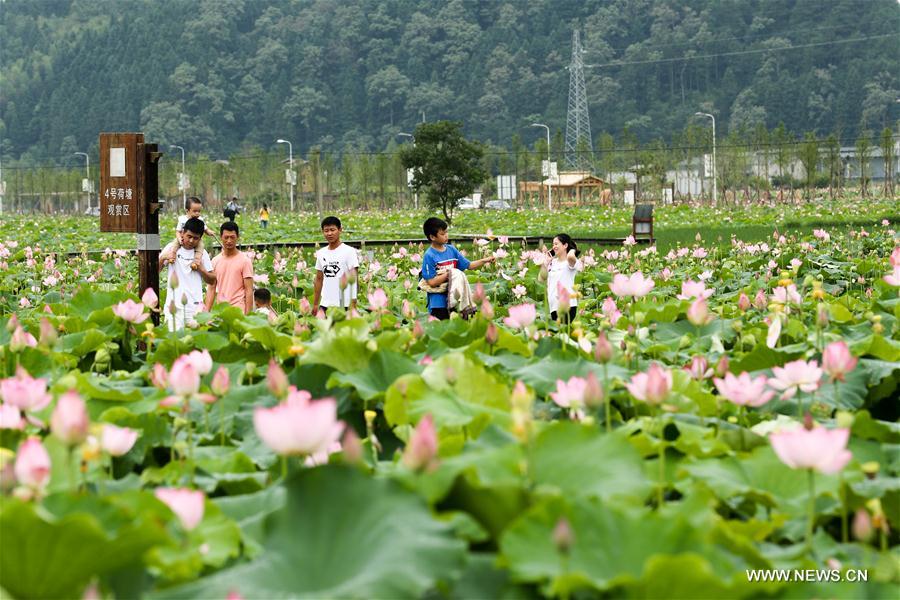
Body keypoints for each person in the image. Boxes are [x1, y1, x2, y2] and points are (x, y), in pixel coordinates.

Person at [420, 217, 494, 320]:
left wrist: (485, 260)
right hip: (438, 303)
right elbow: (432, 282)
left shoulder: (452, 249)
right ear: (432, 237)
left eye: (446, 232)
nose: (446, 235)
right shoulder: (429, 255)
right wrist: (450, 274)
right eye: (442, 234)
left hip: (456, 299)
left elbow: (468, 265)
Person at [160, 217, 216, 331]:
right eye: (189, 236)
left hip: (195, 307)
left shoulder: (202, 254)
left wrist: (202, 269)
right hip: (173, 305)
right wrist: (163, 258)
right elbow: (155, 271)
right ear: (182, 233)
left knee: (193, 343)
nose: (191, 241)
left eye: (195, 238)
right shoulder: (171, 248)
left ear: (200, 238)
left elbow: (212, 280)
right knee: (174, 343)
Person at [205, 221, 254, 314]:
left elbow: (249, 290)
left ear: (238, 237)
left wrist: (248, 316)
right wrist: (206, 311)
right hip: (221, 310)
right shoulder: (215, 261)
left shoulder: (245, 261)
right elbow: (211, 288)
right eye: (226, 237)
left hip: (239, 311)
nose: (229, 241)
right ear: (221, 237)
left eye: (232, 237)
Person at [313, 216, 359, 315]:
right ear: (322, 232)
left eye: (332, 230)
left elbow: (354, 279)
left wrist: (354, 303)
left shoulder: (349, 251)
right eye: (326, 231)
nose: (329, 233)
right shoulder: (321, 253)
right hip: (326, 303)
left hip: (345, 304)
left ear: (340, 230)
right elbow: (319, 279)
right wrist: (316, 304)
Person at [160, 197, 216, 265]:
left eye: (199, 211)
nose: (197, 213)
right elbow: (178, 231)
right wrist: (179, 238)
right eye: (195, 211)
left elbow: (205, 229)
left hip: (197, 240)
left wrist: (210, 232)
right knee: (175, 244)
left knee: (201, 246)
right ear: (187, 211)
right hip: (182, 237)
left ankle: (197, 261)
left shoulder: (200, 220)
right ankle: (172, 256)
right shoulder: (182, 219)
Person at [546, 233, 583, 323]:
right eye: (553, 244)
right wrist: (546, 262)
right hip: (553, 307)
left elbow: (570, 256)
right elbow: (540, 279)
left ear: (565, 245)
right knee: (559, 335)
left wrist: (573, 250)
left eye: (556, 244)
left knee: (564, 333)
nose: (553, 246)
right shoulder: (552, 262)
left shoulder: (569, 262)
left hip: (568, 306)